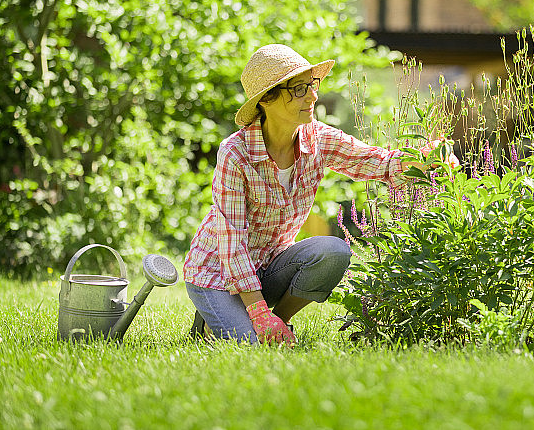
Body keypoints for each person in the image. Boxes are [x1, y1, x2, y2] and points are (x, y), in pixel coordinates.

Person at [183, 44, 457, 346]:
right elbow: (231, 238)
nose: (313, 96)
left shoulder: (318, 138)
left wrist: (425, 159)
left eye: (312, 85)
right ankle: (223, 317)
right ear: (267, 99)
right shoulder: (236, 153)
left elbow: (375, 161)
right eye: (299, 89)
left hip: (267, 267)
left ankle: (281, 321)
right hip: (217, 274)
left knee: (333, 252)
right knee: (252, 348)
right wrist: (259, 313)